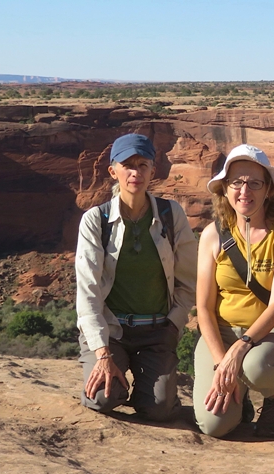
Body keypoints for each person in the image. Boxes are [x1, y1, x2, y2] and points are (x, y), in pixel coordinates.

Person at [76, 133, 197, 421]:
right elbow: (88, 292)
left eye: (143, 165)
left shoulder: (171, 214)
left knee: (158, 409)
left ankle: (152, 390)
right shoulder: (96, 220)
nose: (135, 173)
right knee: (102, 399)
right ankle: (116, 378)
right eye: (127, 165)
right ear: (112, 171)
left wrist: (172, 326)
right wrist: (103, 354)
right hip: (111, 331)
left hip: (156, 332)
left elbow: (188, 281)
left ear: (153, 171)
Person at [194, 144, 274, 438]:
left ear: (268, 190)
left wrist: (241, 347)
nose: (244, 190)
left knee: (256, 366)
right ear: (224, 188)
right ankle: (241, 403)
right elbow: (204, 308)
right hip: (222, 332)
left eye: (254, 183)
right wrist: (223, 362)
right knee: (215, 425)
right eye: (237, 182)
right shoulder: (213, 235)